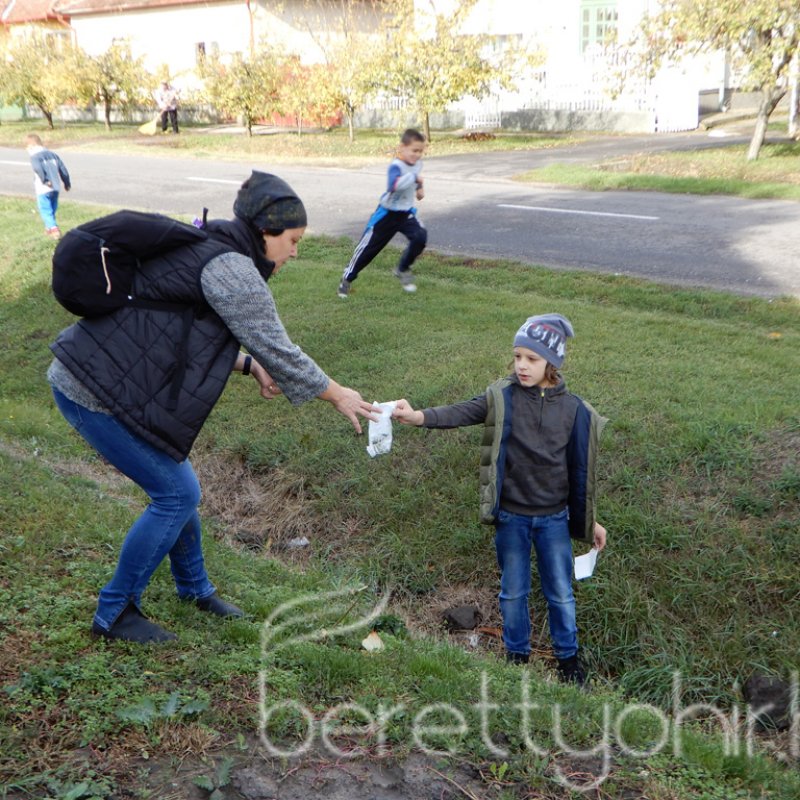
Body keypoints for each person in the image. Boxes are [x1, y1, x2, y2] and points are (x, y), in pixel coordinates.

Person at [47, 171, 379, 644]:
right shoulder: (233, 269)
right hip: (93, 389)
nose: (295, 251)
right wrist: (339, 393)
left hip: (114, 380)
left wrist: (246, 365)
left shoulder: (218, 245)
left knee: (180, 487)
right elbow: (279, 349)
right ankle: (114, 613)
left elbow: (178, 328)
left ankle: (194, 590)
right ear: (265, 232)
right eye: (292, 240)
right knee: (177, 494)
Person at [392, 314, 608, 685]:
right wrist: (417, 417)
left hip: (554, 519)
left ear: (551, 363)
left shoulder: (573, 410)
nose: (522, 366)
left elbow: (578, 473)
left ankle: (569, 661)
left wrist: (590, 521)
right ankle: (516, 658)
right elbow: (463, 411)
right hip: (512, 517)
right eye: (517, 356)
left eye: (531, 359)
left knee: (560, 593)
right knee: (513, 592)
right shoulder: (502, 397)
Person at [337, 128, 427, 298]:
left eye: (420, 151)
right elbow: (393, 186)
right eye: (414, 150)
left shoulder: (417, 164)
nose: (417, 155)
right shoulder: (395, 166)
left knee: (420, 237)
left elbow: (416, 179)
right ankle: (347, 279)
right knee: (368, 251)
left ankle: (402, 269)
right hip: (386, 215)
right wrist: (415, 179)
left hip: (405, 214)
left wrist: (420, 189)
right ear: (402, 148)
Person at [25, 133, 71, 240]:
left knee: (45, 209)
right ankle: (48, 228)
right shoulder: (53, 155)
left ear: (31, 146)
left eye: (27, 147)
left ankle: (54, 230)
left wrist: (45, 180)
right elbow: (63, 169)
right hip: (56, 187)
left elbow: (37, 168)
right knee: (52, 208)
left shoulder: (34, 157)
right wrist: (67, 182)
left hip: (43, 188)